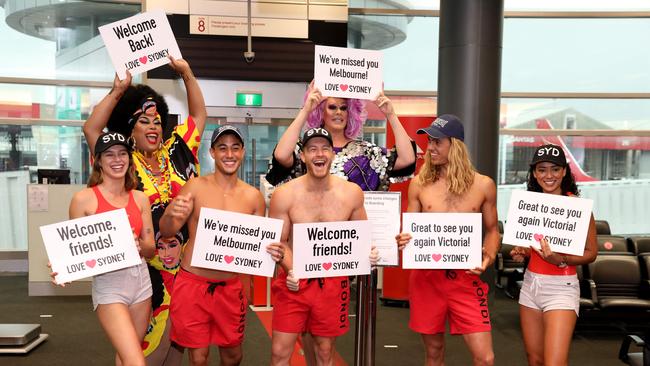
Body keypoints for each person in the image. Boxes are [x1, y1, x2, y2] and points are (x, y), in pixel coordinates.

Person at [265, 82, 416, 365]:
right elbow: (281, 157)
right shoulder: (300, 158)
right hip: (297, 269)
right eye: (331, 106)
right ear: (306, 154)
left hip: (336, 270)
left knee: (324, 348)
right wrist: (307, 106)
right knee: (290, 346)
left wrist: (390, 113)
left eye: (343, 107)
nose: (337, 112)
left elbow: (406, 160)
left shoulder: (364, 154)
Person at [82, 56, 207, 365]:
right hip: (142, 270)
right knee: (139, 350)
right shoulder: (121, 161)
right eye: (143, 121)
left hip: (185, 271)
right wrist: (117, 91)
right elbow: (92, 129)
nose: (153, 126)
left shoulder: (177, 150)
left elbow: (199, 115)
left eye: (156, 121)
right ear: (130, 128)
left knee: (177, 349)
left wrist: (187, 73)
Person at [159, 125, 278, 366]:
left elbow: (254, 250)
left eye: (235, 148)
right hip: (193, 283)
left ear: (243, 152)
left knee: (233, 356)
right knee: (198, 357)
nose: (229, 154)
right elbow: (167, 231)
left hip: (230, 288)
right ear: (212, 152)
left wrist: (270, 252)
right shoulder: (195, 187)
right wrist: (172, 214)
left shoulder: (253, 196)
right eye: (222, 148)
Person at [268, 127, 379, 366]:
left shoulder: (351, 193)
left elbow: (361, 236)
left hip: (331, 283)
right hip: (293, 281)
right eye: (312, 149)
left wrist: (368, 252)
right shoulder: (284, 194)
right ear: (303, 156)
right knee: (279, 352)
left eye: (325, 148)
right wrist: (291, 269)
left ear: (333, 154)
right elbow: (279, 243)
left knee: (325, 351)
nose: (319, 154)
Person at [395, 115, 500, 366]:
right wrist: (403, 239)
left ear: (455, 145)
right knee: (434, 354)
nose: (430, 147)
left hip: (466, 278)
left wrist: (489, 255)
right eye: (429, 141)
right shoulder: (419, 185)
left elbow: (493, 230)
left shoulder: (483, 185)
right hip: (426, 279)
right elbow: (410, 229)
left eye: (437, 142)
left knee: (485, 358)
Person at [52, 132, 156, 366]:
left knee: (126, 356)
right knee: (136, 362)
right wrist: (63, 267)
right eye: (109, 154)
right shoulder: (83, 200)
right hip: (110, 286)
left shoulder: (140, 199)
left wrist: (138, 245)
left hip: (141, 282)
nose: (117, 159)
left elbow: (150, 249)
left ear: (129, 159)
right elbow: (75, 250)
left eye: (122, 153)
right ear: (97, 160)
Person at [509, 144, 598, 366]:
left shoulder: (577, 207)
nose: (548, 175)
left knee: (555, 362)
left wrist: (561, 259)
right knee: (535, 359)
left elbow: (591, 254)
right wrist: (522, 252)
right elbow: (530, 247)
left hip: (561, 288)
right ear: (534, 173)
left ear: (564, 171)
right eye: (542, 169)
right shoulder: (529, 205)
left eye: (555, 169)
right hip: (530, 285)